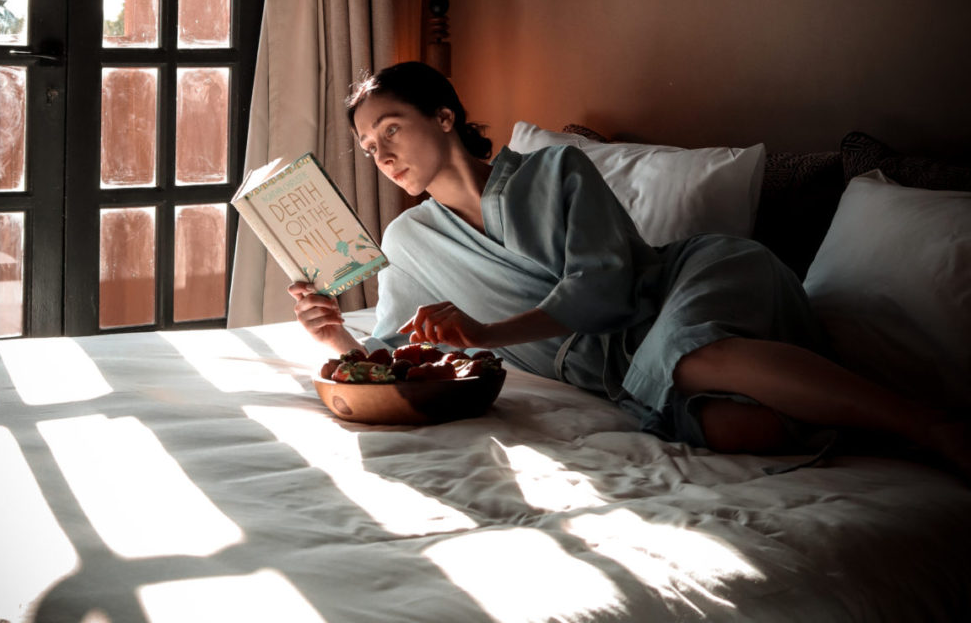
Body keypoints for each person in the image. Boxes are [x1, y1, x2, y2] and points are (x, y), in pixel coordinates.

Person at [291, 61, 970, 475]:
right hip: (620, 369)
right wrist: (335, 339)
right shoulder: (408, 237)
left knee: (698, 362)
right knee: (744, 432)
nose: (379, 152)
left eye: (391, 128)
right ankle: (848, 411)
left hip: (681, 283)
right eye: (366, 145)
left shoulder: (556, 169)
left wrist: (489, 334)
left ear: (443, 118)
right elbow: (403, 343)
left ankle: (931, 425)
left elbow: (605, 287)